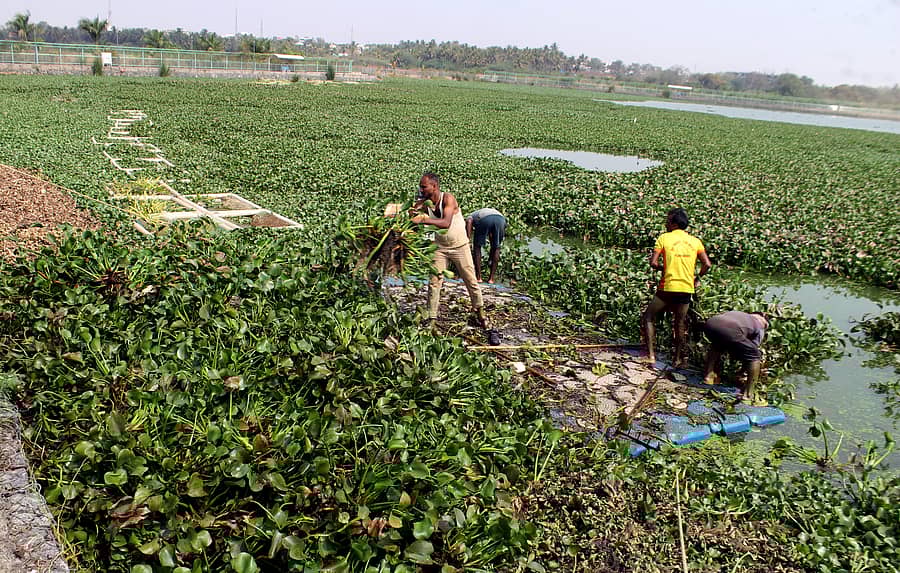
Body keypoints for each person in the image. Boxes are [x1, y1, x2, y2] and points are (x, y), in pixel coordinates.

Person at [410, 173, 499, 343]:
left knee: (470, 281)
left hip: (460, 246)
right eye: (420, 187)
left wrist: (422, 220)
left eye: (424, 187)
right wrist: (407, 215)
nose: (421, 189)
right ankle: (432, 319)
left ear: (434, 186)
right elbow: (410, 217)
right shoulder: (423, 204)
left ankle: (479, 313)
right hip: (440, 248)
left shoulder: (448, 199)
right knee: (434, 281)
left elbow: (445, 223)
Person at [641, 207, 712, 367]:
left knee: (649, 317)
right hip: (686, 288)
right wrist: (697, 277)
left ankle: (651, 356)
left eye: (667, 220)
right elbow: (707, 264)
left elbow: (653, 263)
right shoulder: (695, 241)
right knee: (679, 323)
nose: (666, 223)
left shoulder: (664, 238)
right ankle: (678, 359)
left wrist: (663, 268)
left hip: (668, 287)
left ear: (673, 223)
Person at [701, 311, 769, 405]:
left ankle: (708, 376)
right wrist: (741, 372)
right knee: (755, 355)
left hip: (710, 324)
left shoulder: (741, 314)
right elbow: (751, 352)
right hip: (731, 329)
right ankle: (748, 394)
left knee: (717, 345)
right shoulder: (761, 324)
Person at [465, 208, 507, 283]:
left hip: (485, 219)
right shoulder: (481, 212)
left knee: (477, 247)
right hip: (501, 219)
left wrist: (468, 239)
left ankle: (479, 277)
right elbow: (492, 237)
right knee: (496, 247)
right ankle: (491, 279)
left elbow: (469, 221)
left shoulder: (470, 216)